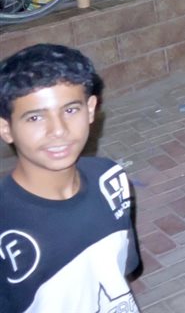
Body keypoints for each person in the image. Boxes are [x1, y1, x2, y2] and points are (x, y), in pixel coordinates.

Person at [0, 44, 140, 312]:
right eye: (35, 117)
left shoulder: (110, 179)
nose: (58, 130)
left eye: (71, 110)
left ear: (91, 109)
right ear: (6, 128)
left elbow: (118, 270)